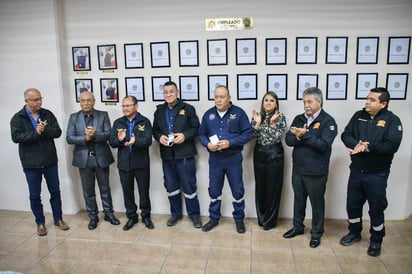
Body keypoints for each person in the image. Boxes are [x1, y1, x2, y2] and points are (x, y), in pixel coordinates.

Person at [339, 87, 403, 257]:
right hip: (357, 171)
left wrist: (368, 147)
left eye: (372, 100)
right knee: (352, 204)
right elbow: (345, 135)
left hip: (377, 174)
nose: (367, 102)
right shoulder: (358, 116)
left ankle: (376, 240)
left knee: (376, 208)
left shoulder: (392, 121)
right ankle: (354, 232)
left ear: (383, 103)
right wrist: (357, 145)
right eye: (367, 98)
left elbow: (391, 146)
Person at [10, 88, 70, 236]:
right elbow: (16, 137)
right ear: (26, 101)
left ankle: (58, 219)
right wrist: (35, 133)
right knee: (35, 195)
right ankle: (40, 223)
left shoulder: (47, 114)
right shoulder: (18, 118)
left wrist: (45, 129)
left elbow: (57, 132)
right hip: (31, 163)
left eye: (40, 98)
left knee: (55, 191)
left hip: (49, 161)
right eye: (35, 100)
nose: (39, 102)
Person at [283, 87, 337, 248]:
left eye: (309, 101)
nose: (306, 105)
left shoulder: (328, 121)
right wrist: (298, 136)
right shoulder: (299, 119)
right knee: (299, 200)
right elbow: (288, 140)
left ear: (319, 102)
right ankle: (298, 227)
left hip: (316, 172)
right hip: (298, 169)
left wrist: (303, 135)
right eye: (304, 101)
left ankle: (316, 233)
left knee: (316, 203)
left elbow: (323, 145)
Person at [198, 85, 252, 233]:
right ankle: (214, 218)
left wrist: (231, 142)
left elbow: (248, 133)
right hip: (215, 159)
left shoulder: (239, 113)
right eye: (216, 97)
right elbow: (201, 134)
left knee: (237, 190)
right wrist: (207, 144)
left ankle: (239, 219)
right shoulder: (208, 114)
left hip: (233, 159)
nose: (219, 100)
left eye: (222, 97)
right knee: (214, 190)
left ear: (229, 98)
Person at [66, 91, 120, 230]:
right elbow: (70, 138)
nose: (86, 103)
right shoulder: (73, 117)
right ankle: (93, 217)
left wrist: (95, 134)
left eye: (88, 100)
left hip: (101, 158)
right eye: (83, 100)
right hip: (84, 160)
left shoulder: (103, 115)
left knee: (105, 189)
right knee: (88, 190)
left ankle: (109, 213)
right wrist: (86, 138)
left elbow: (109, 134)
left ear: (94, 101)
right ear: (79, 102)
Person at [152, 81, 202, 228]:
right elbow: (155, 130)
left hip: (185, 155)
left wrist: (185, 136)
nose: (168, 94)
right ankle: (175, 215)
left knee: (189, 186)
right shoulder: (159, 111)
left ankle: (194, 216)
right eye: (165, 92)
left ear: (177, 92)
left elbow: (196, 129)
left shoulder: (188, 109)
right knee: (171, 186)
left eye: (171, 91)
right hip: (167, 155)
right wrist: (159, 137)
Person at [110, 95, 154, 230]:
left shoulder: (144, 121)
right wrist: (121, 140)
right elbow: (112, 142)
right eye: (123, 106)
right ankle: (131, 217)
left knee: (143, 191)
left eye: (128, 105)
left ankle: (146, 216)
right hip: (124, 164)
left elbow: (148, 141)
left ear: (136, 106)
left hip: (141, 164)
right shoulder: (118, 123)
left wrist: (135, 142)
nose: (125, 108)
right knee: (127, 192)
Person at [251, 91, 287, 230]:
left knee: (273, 187)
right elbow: (251, 135)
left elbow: (277, 137)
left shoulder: (280, 117)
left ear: (276, 103)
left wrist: (272, 124)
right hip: (259, 152)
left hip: (275, 153)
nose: (268, 102)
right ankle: (261, 218)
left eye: (272, 100)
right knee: (260, 186)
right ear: (262, 102)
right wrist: (257, 123)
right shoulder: (258, 116)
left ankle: (270, 221)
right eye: (266, 100)